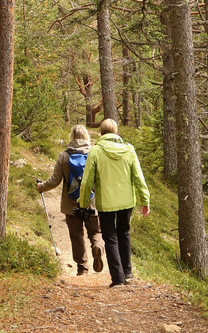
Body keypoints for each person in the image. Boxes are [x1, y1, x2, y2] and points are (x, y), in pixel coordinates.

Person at [78, 117, 150, 287]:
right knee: (124, 233)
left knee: (110, 238)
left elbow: (87, 181)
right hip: (127, 202)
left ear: (101, 133)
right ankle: (128, 273)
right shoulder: (129, 149)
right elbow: (138, 177)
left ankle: (117, 279)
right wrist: (145, 200)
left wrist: (83, 203)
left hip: (106, 203)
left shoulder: (95, 151)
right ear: (116, 132)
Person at [36, 124, 103, 276]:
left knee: (76, 235)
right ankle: (97, 246)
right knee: (95, 231)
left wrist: (41, 187)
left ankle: (82, 268)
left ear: (71, 137)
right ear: (86, 136)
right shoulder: (95, 154)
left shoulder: (64, 156)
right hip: (92, 201)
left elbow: (55, 181)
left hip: (70, 204)